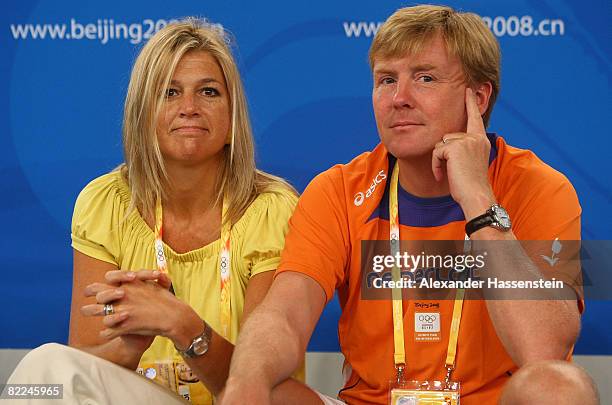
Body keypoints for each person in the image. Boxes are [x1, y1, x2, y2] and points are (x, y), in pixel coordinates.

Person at [220, 5, 598, 405]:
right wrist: (247, 379)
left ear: (480, 97)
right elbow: (284, 314)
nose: (399, 98)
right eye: (386, 80)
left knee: (557, 388)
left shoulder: (539, 186)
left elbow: (543, 348)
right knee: (269, 390)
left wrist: (479, 201)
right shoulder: (338, 190)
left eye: (425, 78)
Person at [7, 18, 321, 405]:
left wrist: (182, 326)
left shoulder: (272, 209)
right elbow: (81, 369)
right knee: (45, 369)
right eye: (169, 92)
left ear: (232, 116)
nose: (189, 108)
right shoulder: (105, 203)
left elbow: (265, 381)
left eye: (208, 92)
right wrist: (127, 347)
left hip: (243, 399)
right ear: (143, 114)